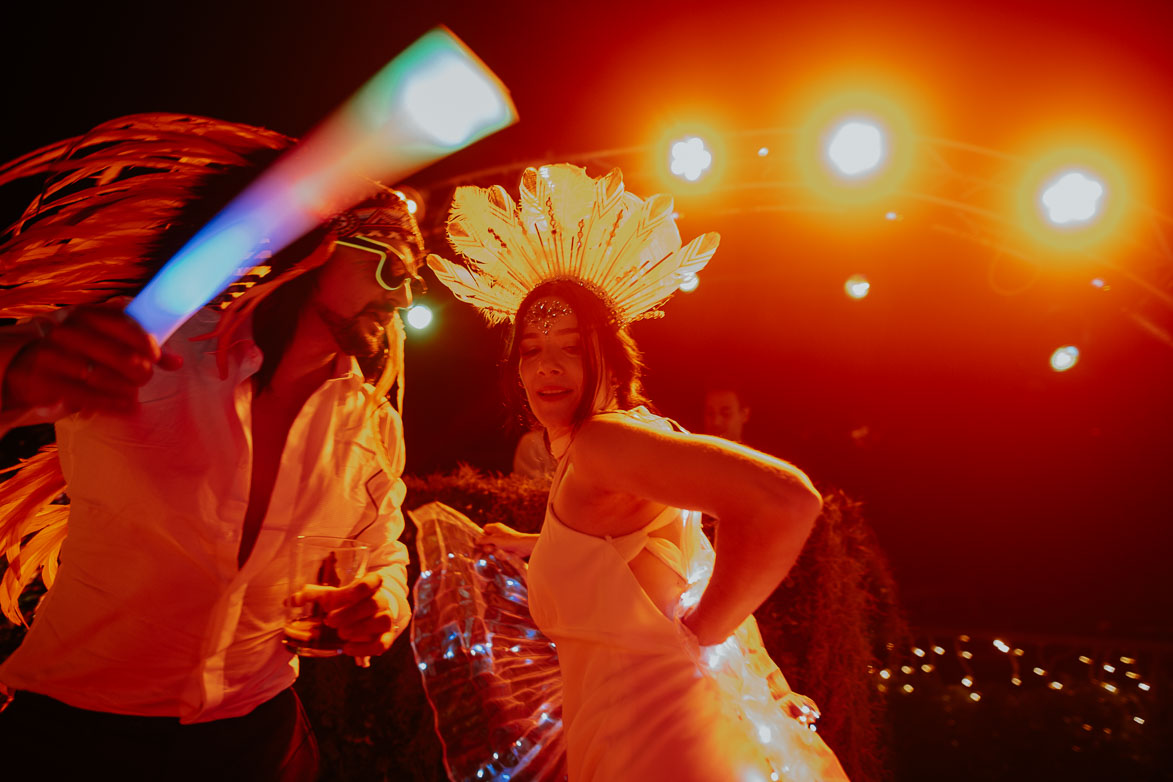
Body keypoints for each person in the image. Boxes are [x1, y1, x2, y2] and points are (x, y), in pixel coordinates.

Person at [0, 114, 419, 781]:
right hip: (78, 735)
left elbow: (382, 553)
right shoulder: (155, 346)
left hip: (259, 739)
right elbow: (17, 379)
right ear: (315, 248)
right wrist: (22, 373)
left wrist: (381, 605)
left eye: (412, 277)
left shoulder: (371, 428)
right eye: (389, 265)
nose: (403, 293)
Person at [425, 164, 848, 781]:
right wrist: (534, 546)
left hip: (658, 747)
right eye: (533, 351)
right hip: (654, 737)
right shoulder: (628, 440)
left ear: (612, 358)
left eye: (571, 347)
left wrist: (705, 630)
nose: (547, 367)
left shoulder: (603, 443)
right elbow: (645, 560)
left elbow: (783, 502)